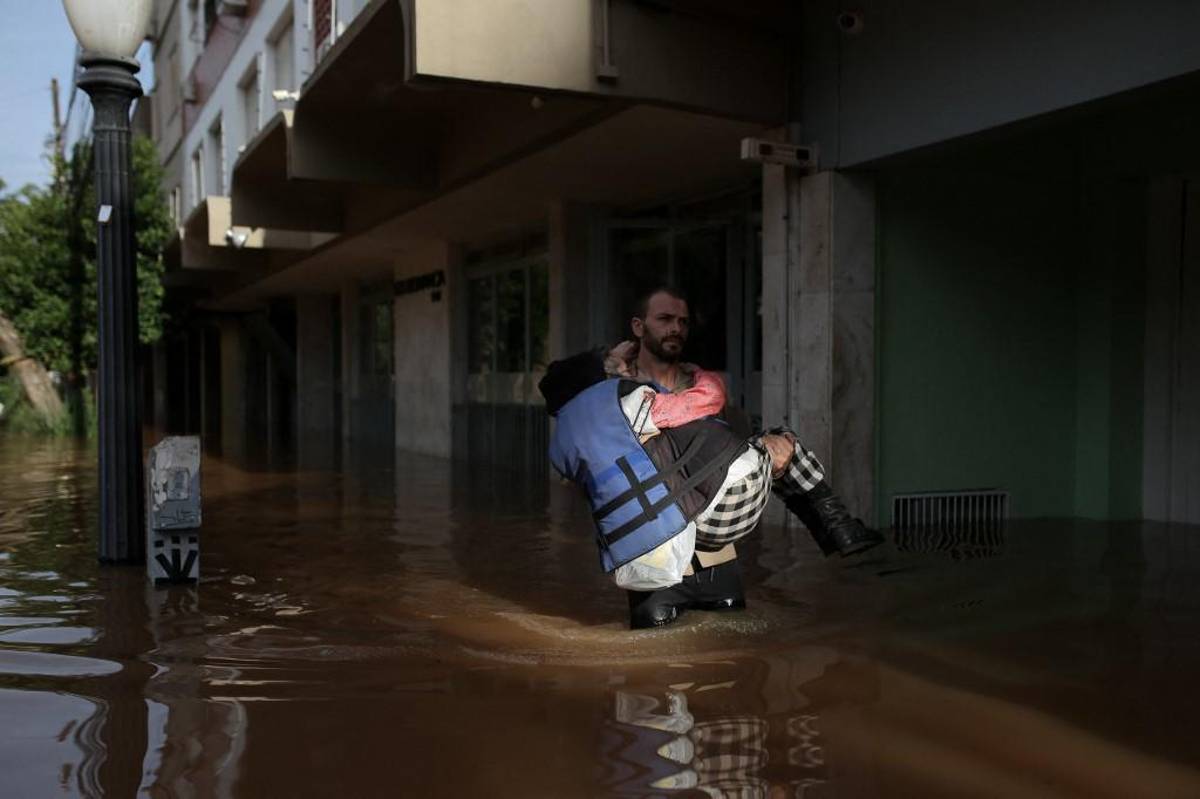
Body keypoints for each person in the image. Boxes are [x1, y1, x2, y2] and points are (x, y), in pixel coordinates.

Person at [539, 286, 882, 629]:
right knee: (655, 672)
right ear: (638, 327)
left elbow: (731, 450)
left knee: (728, 663)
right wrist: (606, 362)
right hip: (660, 561)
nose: (676, 328)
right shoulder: (613, 392)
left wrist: (768, 445)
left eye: (683, 322)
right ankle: (841, 530)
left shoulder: (700, 385)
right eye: (665, 319)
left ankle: (840, 532)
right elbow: (555, 390)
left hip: (716, 560)